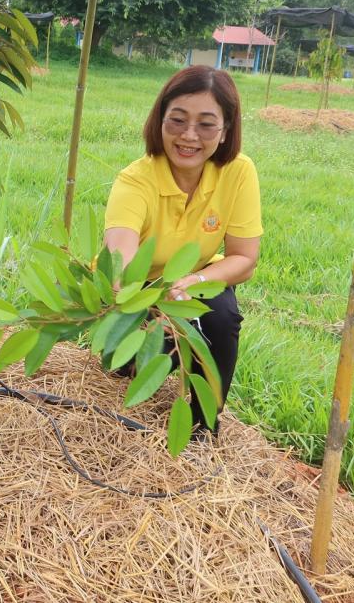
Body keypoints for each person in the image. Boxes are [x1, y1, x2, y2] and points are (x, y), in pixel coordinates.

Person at [103, 65, 261, 435]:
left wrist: (195, 281)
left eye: (206, 124)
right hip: (133, 299)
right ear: (160, 120)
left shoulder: (238, 172)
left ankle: (206, 421)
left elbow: (244, 259)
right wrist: (151, 311)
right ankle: (137, 363)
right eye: (177, 120)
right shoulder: (135, 181)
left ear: (225, 131)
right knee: (125, 371)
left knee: (221, 313)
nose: (189, 136)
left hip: (193, 283)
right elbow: (119, 267)